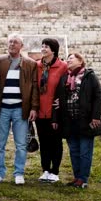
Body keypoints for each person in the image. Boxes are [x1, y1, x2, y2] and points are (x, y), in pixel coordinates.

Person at [0, 33, 39, 185]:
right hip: (3, 109)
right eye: (10, 42)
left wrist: (33, 107)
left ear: (21, 46)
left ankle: (19, 173)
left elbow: (35, 87)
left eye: (15, 42)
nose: (12, 44)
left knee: (21, 144)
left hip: (20, 110)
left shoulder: (30, 64)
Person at [52, 53, 101, 189]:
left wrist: (96, 116)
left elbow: (98, 97)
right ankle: (77, 177)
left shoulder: (89, 76)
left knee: (85, 151)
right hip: (69, 121)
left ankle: (83, 179)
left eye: (71, 59)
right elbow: (58, 101)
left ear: (80, 61)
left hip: (86, 121)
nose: (68, 60)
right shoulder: (64, 78)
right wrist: (56, 118)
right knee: (74, 151)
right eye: (67, 59)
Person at [35, 38, 67, 183]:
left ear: (53, 50)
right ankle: (45, 170)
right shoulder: (37, 66)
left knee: (56, 142)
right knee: (44, 142)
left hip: (55, 112)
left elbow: (66, 87)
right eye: (42, 46)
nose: (43, 48)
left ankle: (55, 171)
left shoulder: (63, 67)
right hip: (40, 111)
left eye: (46, 46)